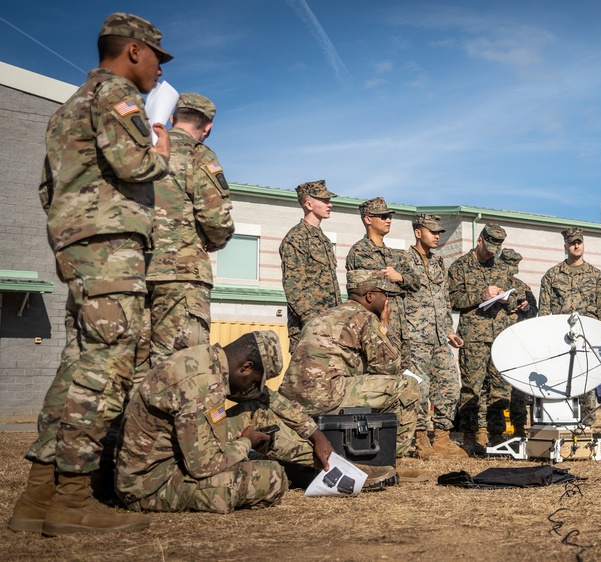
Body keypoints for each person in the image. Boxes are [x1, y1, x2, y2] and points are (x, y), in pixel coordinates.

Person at [8, 13, 173, 536]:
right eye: (154, 59)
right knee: (107, 367)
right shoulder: (116, 97)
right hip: (111, 250)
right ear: (132, 51)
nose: (157, 72)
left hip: (79, 249)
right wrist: (161, 147)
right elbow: (133, 165)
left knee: (76, 367)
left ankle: (37, 497)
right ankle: (74, 501)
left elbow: (46, 190)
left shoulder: (65, 111)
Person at [115, 331, 396, 513]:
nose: (254, 390)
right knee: (271, 478)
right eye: (254, 382)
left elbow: (269, 400)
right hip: (150, 484)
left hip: (174, 457)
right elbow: (202, 466)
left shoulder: (210, 360)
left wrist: (314, 434)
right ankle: (310, 474)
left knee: (255, 410)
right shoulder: (200, 387)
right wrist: (245, 443)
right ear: (246, 367)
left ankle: (331, 468)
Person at [278, 270, 428, 481]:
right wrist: (385, 324)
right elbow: (390, 367)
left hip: (292, 400)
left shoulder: (323, 316)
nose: (387, 300)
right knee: (408, 386)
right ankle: (393, 460)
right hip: (326, 395)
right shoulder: (363, 317)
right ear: (369, 296)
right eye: (384, 294)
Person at [146, 93, 234, 369]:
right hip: (181, 273)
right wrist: (216, 240)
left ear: (173, 118)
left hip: (134, 270)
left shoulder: (142, 150)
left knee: (136, 364)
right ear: (208, 127)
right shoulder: (198, 154)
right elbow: (215, 217)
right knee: (180, 366)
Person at [447, 224, 519, 454]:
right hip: (474, 337)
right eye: (488, 247)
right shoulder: (460, 267)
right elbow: (452, 299)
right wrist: (482, 296)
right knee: (472, 388)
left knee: (500, 388)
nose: (491, 253)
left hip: (500, 335)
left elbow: (514, 300)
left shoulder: (502, 267)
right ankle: (471, 436)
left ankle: (497, 437)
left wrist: (506, 300)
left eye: (496, 248)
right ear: (479, 240)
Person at [404, 214, 466, 457]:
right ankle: (420, 439)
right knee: (419, 389)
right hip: (415, 336)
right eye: (432, 231)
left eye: (439, 232)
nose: (437, 236)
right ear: (418, 232)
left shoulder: (439, 262)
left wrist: (449, 329)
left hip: (440, 337)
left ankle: (442, 437)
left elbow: (444, 299)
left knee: (450, 386)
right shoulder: (403, 260)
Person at [538, 227, 601, 421]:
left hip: (587, 336)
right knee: (562, 379)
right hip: (561, 337)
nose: (576, 245)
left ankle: (586, 424)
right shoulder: (552, 276)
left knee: (586, 380)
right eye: (572, 243)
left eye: (579, 242)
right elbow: (544, 311)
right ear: (565, 246)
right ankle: (563, 420)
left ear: (583, 244)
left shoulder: (597, 277)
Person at [345, 197, 420, 368]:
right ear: (368, 219)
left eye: (389, 216)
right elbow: (365, 288)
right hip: (374, 326)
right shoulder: (359, 252)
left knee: (402, 374)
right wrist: (400, 286)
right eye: (383, 216)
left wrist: (399, 277)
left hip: (399, 328)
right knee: (379, 372)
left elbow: (416, 283)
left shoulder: (395, 255)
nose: (388, 220)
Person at [279, 179, 342, 352]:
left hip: (331, 327)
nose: (329, 205)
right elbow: (294, 286)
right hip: (310, 330)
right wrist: (314, 322)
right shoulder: (296, 238)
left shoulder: (324, 240)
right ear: (309, 204)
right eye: (324, 201)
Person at [498, 248, 537, 437]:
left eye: (514, 265)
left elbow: (534, 312)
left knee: (518, 390)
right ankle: (493, 429)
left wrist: (526, 307)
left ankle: (519, 427)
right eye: (508, 264)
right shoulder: (494, 284)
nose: (511, 269)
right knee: (496, 389)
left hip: (518, 343)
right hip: (497, 340)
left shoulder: (524, 288)